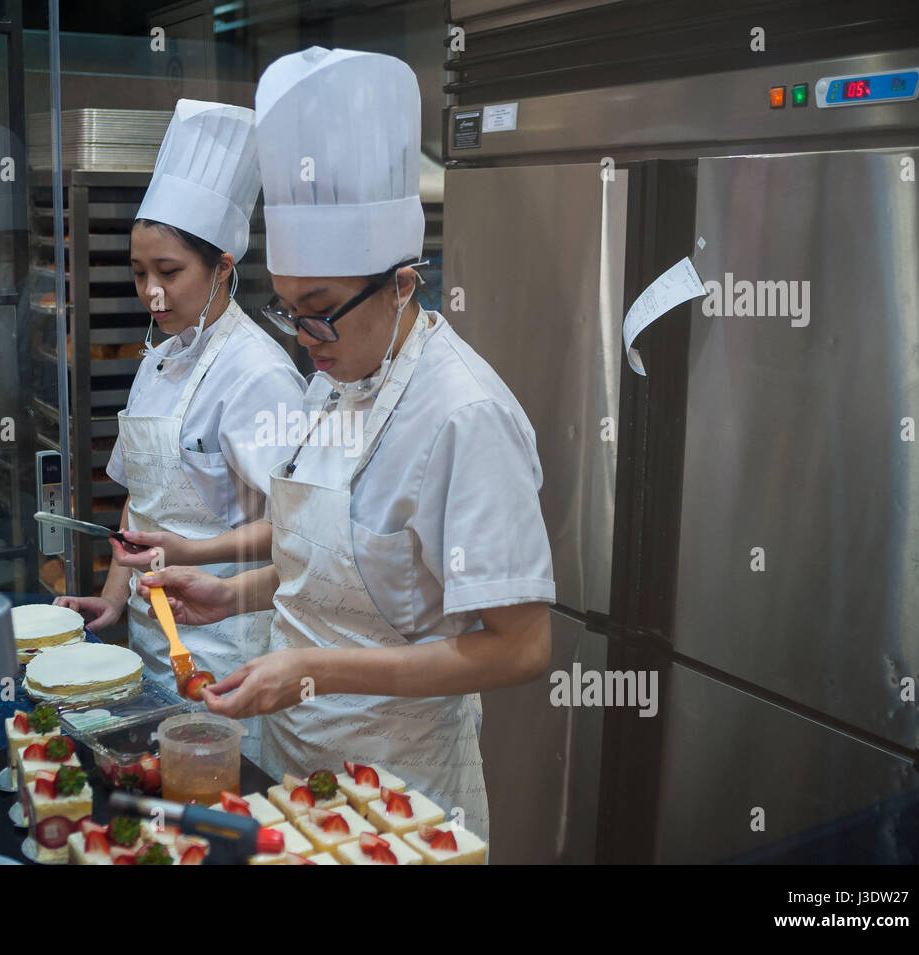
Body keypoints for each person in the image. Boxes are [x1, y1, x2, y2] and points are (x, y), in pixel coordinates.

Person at [136, 49, 555, 837]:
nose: (304, 340)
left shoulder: (464, 416)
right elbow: (325, 561)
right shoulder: (333, 375)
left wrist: (314, 670)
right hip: (295, 765)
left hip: (403, 793)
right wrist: (230, 593)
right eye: (289, 310)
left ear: (404, 280)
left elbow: (524, 646)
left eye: (321, 309)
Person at [55, 100, 306, 768]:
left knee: (219, 807)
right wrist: (111, 601)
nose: (151, 292)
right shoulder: (160, 356)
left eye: (170, 272)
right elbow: (140, 501)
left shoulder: (259, 376)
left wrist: (194, 551)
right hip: (149, 641)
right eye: (140, 273)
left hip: (228, 649)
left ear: (223, 265)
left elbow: (297, 526)